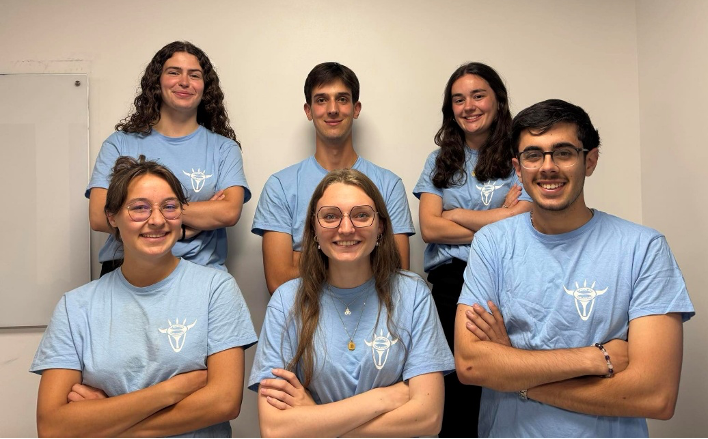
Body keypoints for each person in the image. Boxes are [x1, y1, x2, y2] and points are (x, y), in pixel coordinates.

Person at [454, 99, 695, 437]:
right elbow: (470, 364)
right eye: (533, 155)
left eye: (564, 153)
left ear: (590, 160)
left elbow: (655, 396)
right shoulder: (492, 243)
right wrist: (596, 358)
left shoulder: (643, 248)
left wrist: (517, 376)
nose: (547, 167)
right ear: (518, 169)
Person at [31, 156, 257, 437]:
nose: (157, 220)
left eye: (170, 207)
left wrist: (109, 421)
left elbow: (224, 402)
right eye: (140, 208)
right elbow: (52, 427)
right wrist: (170, 390)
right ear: (112, 217)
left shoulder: (216, 289)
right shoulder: (75, 307)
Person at [248, 169, 454, 437]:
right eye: (330, 216)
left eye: (361, 215)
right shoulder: (287, 301)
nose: (346, 228)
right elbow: (275, 429)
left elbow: (428, 418)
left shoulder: (413, 294)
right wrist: (383, 398)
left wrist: (315, 419)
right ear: (313, 228)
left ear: (380, 226)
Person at [412, 62, 531, 437]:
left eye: (478, 95)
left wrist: (458, 214)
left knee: (504, 384)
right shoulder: (438, 160)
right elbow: (430, 228)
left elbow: (522, 222)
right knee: (456, 392)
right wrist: (499, 216)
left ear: (498, 100)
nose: (469, 106)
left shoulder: (522, 155)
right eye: (458, 99)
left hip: (506, 283)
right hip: (451, 286)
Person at [251, 62, 416, 294]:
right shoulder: (280, 186)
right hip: (305, 312)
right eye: (321, 100)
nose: (332, 109)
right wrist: (361, 251)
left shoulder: (389, 185)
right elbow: (278, 281)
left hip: (374, 312)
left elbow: (396, 274)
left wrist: (304, 255)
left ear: (356, 108)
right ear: (308, 111)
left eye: (342, 99)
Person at [87, 41, 250, 275]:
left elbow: (228, 212)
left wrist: (139, 210)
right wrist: (183, 228)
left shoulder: (223, 148)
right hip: (126, 271)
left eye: (194, 75)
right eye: (174, 72)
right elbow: (98, 216)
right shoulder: (120, 143)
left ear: (205, 87)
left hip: (199, 271)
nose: (184, 81)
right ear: (157, 82)